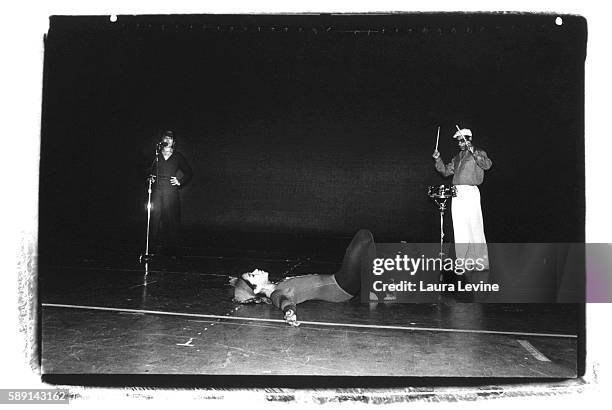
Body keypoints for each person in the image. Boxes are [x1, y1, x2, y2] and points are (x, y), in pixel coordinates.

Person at [232, 229, 376, 326]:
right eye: (252, 275)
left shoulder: (278, 285)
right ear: (256, 289)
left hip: (339, 281)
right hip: (342, 286)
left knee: (365, 243)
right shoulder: (277, 294)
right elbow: (284, 302)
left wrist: (235, 282)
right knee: (363, 237)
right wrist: (289, 312)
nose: (256, 270)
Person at [432, 128, 492, 269]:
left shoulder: (478, 152)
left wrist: (474, 152)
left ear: (468, 139)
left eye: (461, 140)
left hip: (471, 192)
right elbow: (446, 172)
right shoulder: (457, 157)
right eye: (457, 141)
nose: (459, 143)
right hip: (457, 193)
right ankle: (463, 262)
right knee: (460, 228)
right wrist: (438, 159)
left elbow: (487, 165)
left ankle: (481, 262)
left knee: (475, 227)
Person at [148, 130, 193, 258]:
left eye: (170, 138)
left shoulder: (177, 156)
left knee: (172, 220)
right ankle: (151, 248)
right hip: (157, 191)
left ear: (173, 142)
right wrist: (149, 177)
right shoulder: (156, 155)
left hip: (170, 192)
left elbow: (189, 172)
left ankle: (174, 250)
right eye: (165, 138)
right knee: (154, 220)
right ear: (162, 140)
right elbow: (145, 169)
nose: (167, 140)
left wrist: (180, 181)